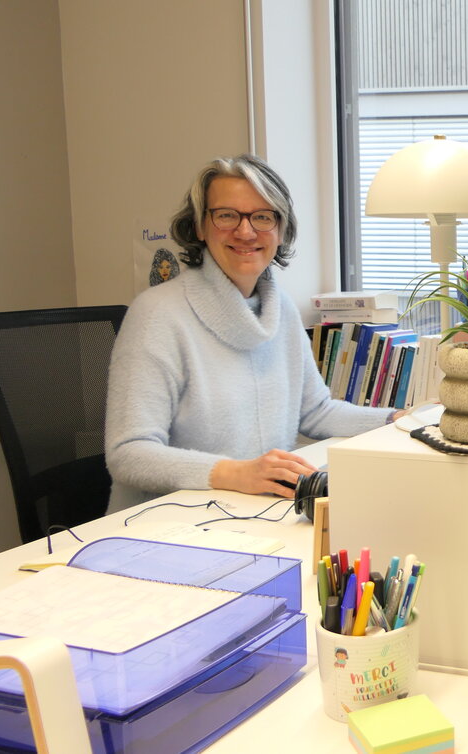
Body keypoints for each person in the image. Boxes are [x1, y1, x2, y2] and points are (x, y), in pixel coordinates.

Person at [106, 154, 398, 511]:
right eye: (226, 215)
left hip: (252, 512)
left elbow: (315, 411)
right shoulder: (157, 315)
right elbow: (128, 453)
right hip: (166, 523)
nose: (245, 232)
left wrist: (394, 420)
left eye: (262, 217)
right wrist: (238, 474)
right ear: (200, 226)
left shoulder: (282, 310)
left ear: (281, 229)